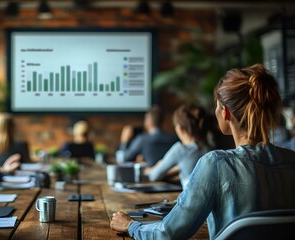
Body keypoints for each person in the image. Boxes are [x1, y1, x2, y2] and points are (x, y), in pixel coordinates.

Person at [110, 64, 295, 239]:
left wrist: (131, 226)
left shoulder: (216, 164)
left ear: (225, 113)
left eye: (217, 105)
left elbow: (168, 233)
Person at [143, 103, 211, 188]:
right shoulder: (211, 149)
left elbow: (153, 176)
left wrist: (157, 166)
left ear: (180, 129)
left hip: (189, 200)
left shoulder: (180, 150)